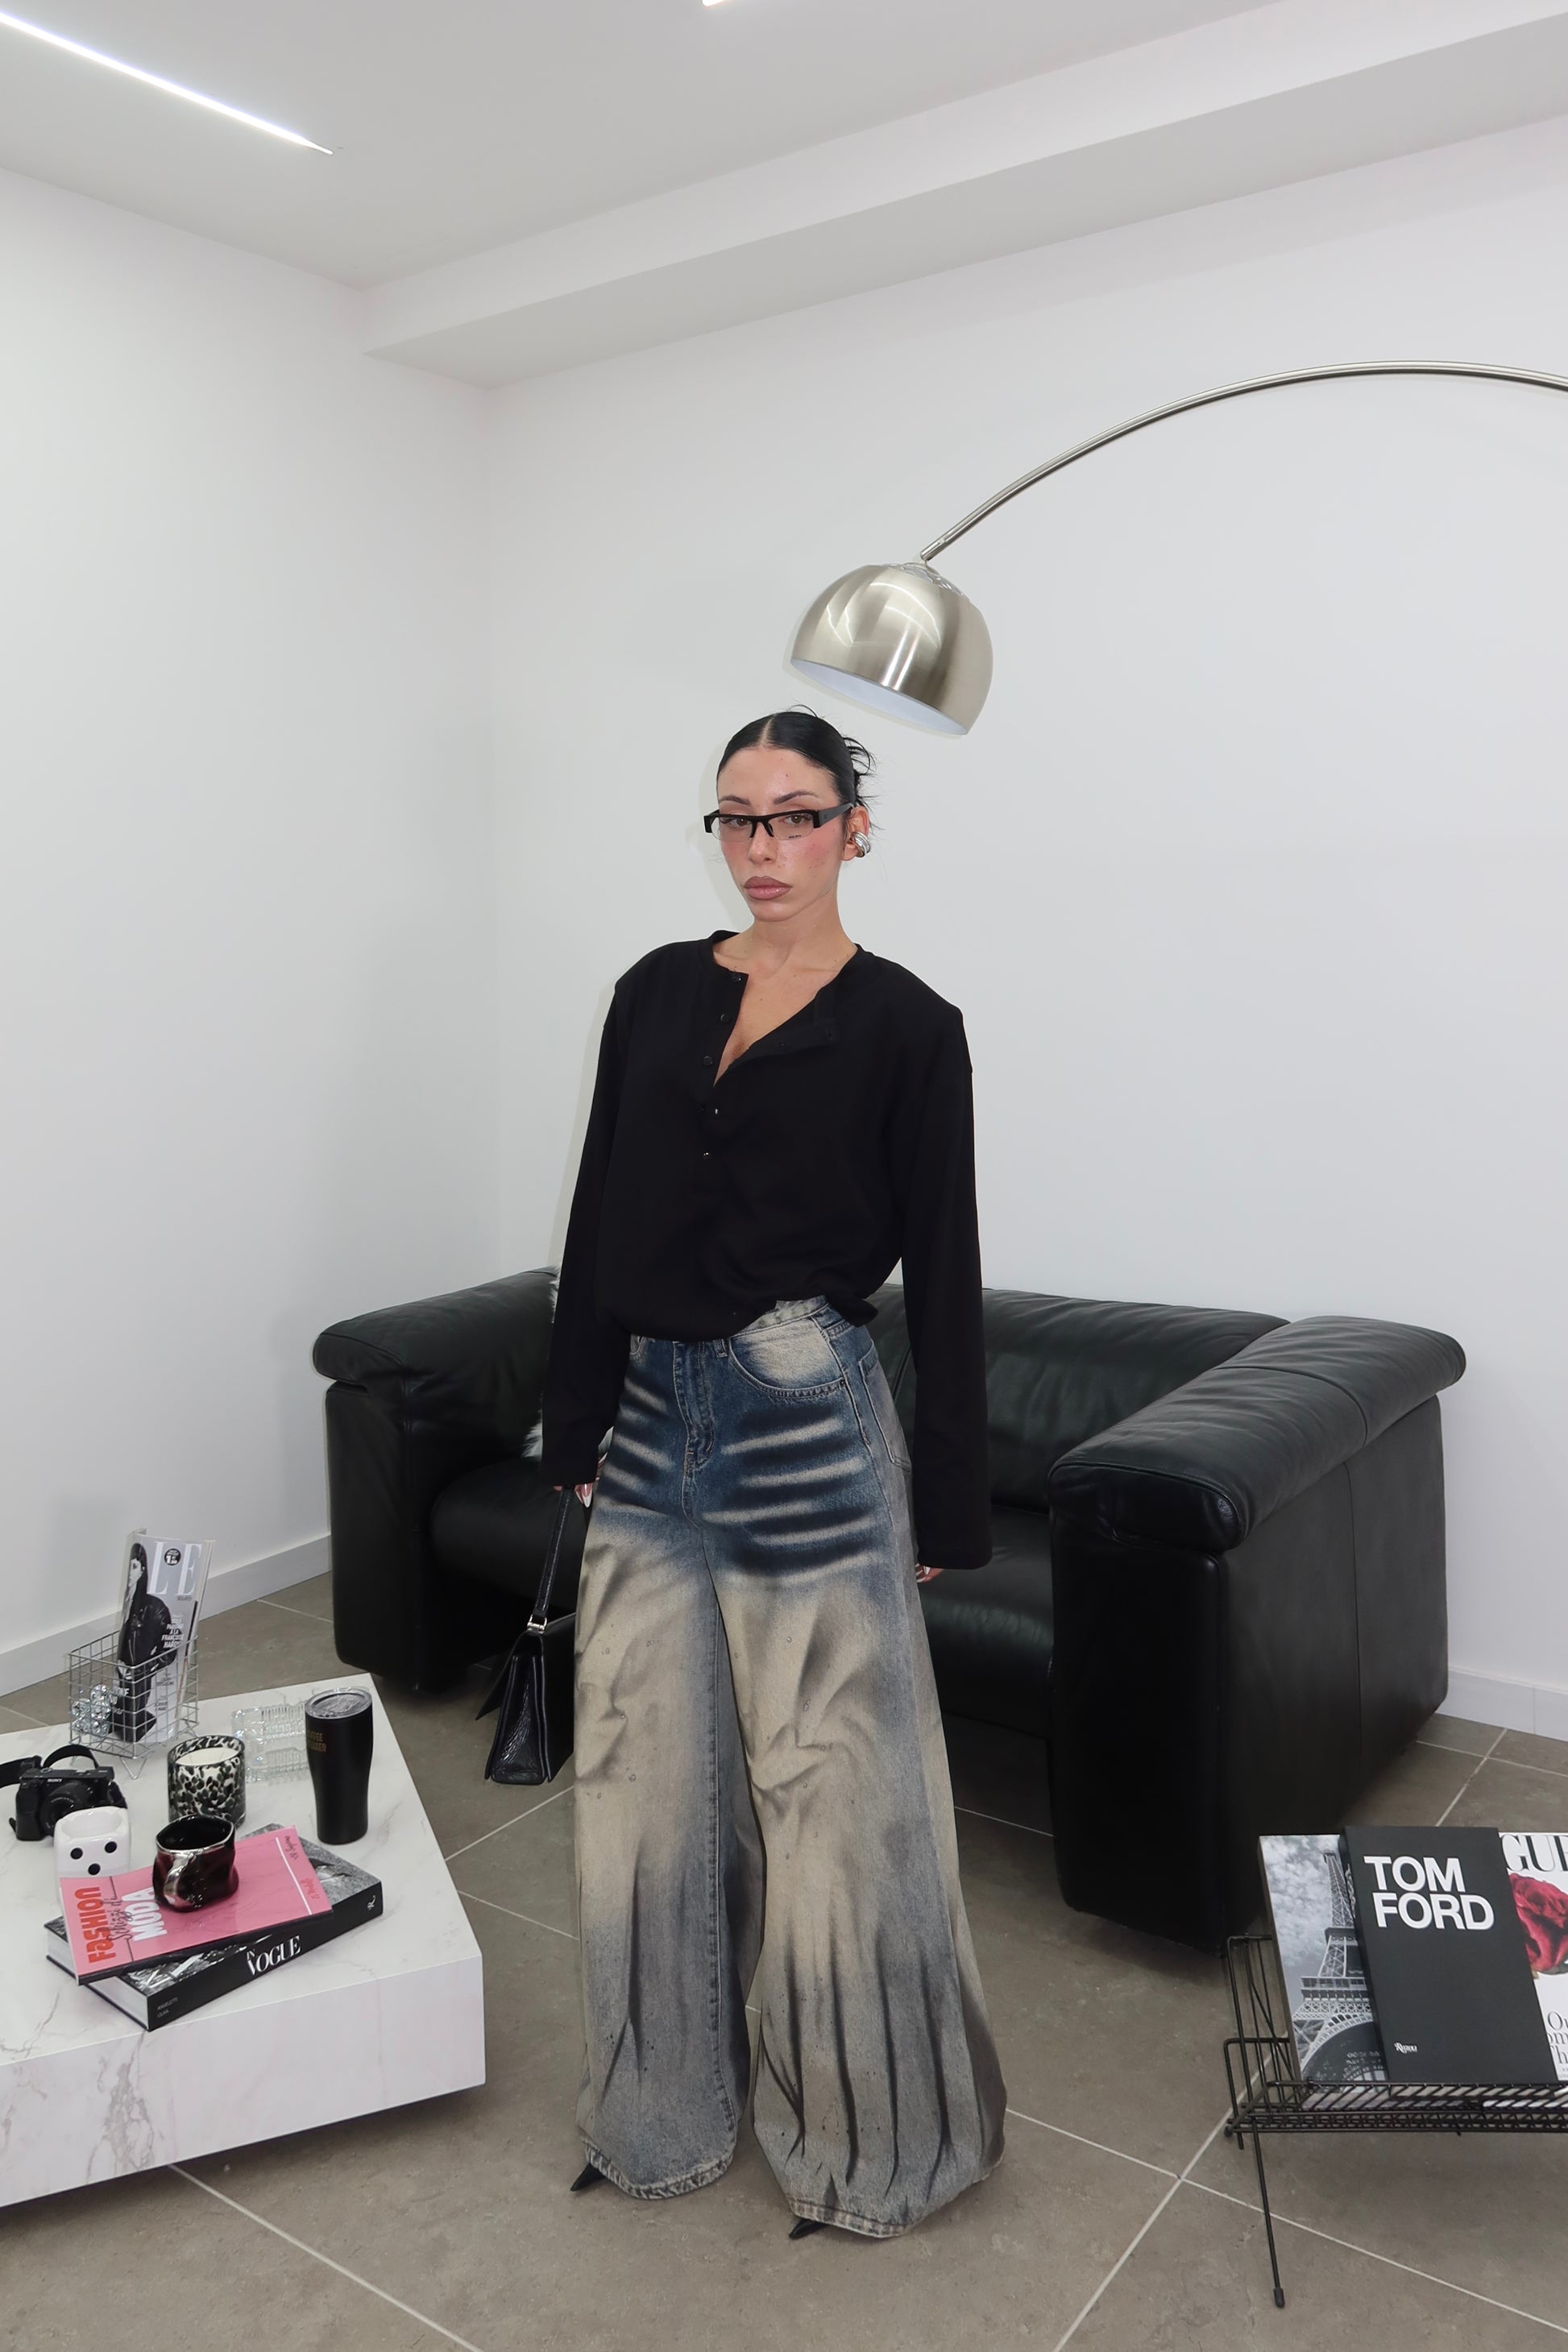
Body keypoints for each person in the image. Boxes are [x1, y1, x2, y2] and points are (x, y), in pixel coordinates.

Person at [541, 707, 1006, 2240]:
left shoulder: (907, 1026)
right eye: (737, 818)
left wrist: (947, 1497)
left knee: (836, 1794)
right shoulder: (654, 992)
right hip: (647, 1413)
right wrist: (576, 1417)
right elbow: (600, 1205)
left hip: (805, 1411)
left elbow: (945, 1266)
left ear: (853, 828)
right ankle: (659, 2116)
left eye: (795, 816)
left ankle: (876, 2147)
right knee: (637, 1780)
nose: (762, 849)